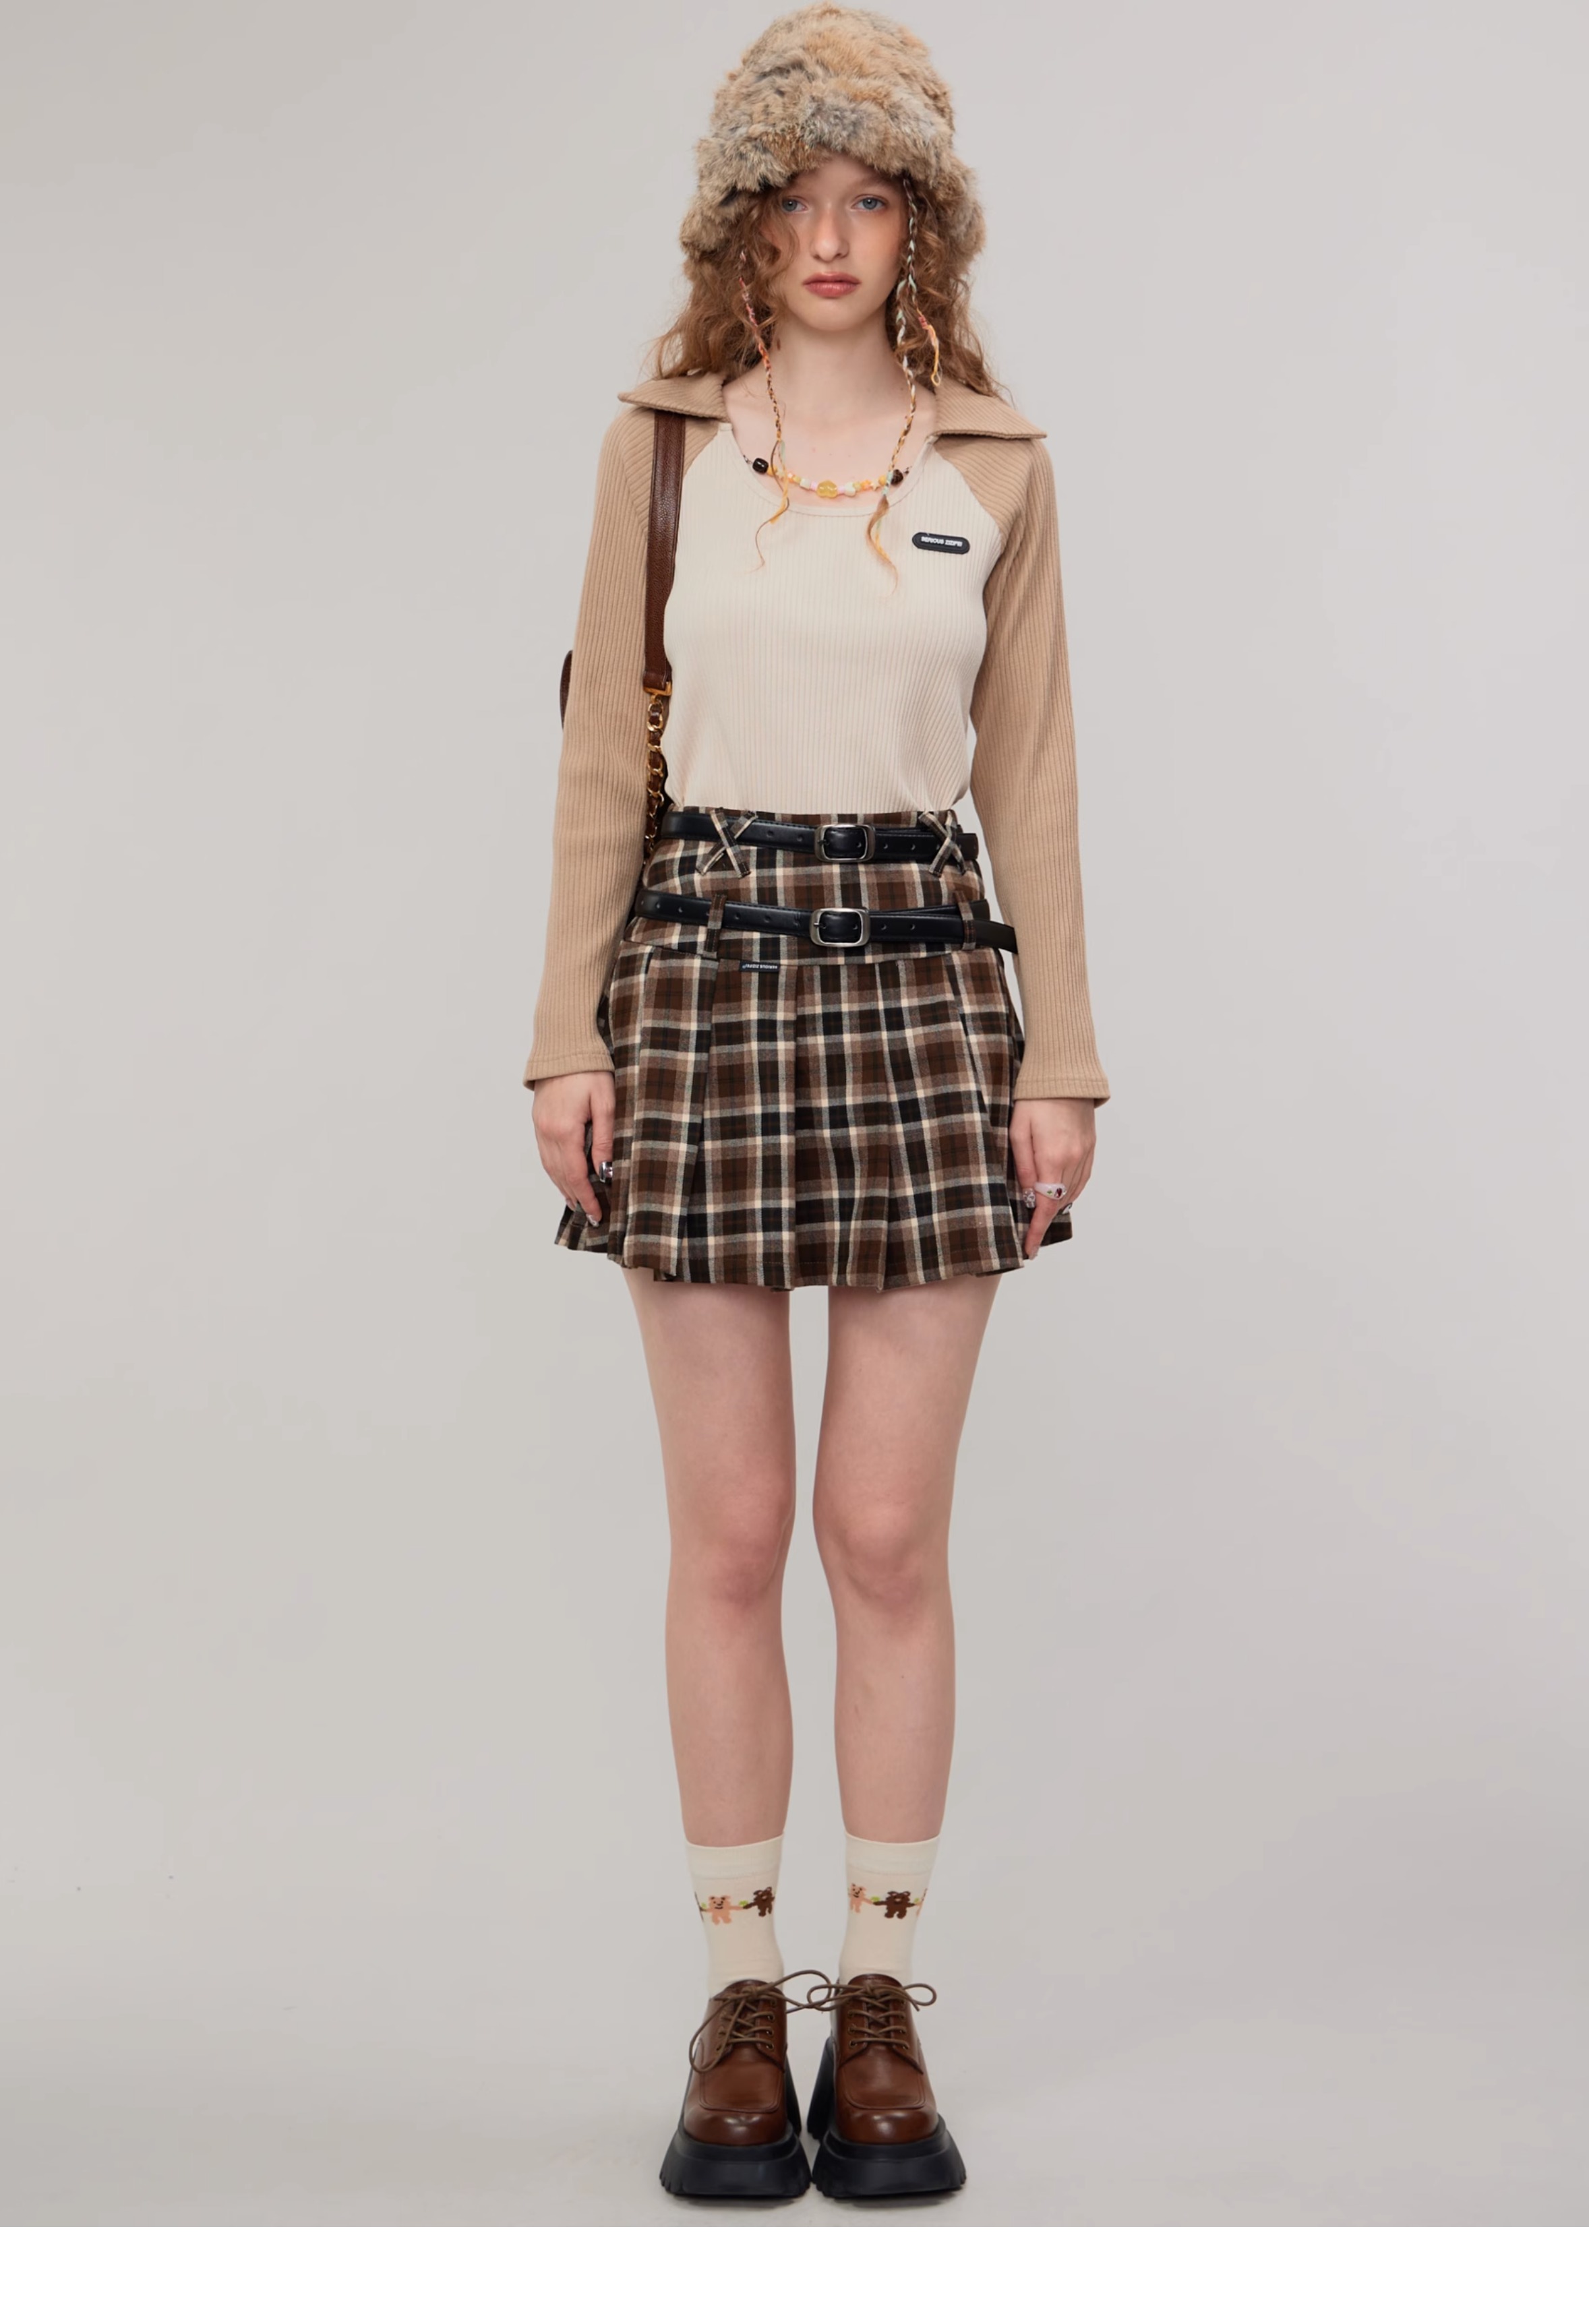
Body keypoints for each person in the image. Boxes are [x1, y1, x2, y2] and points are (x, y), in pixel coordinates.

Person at [524, 4, 1107, 2203]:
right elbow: (603, 756)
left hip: (930, 997)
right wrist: (563, 1037)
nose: (835, 238)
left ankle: (878, 2000)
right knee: (735, 1531)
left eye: (875, 198)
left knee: (882, 1535)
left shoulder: (1001, 466)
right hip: (698, 980)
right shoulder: (663, 447)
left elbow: (1033, 777)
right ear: (740, 226)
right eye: (797, 198)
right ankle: (734, 2008)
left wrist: (1066, 1060)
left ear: (924, 223)